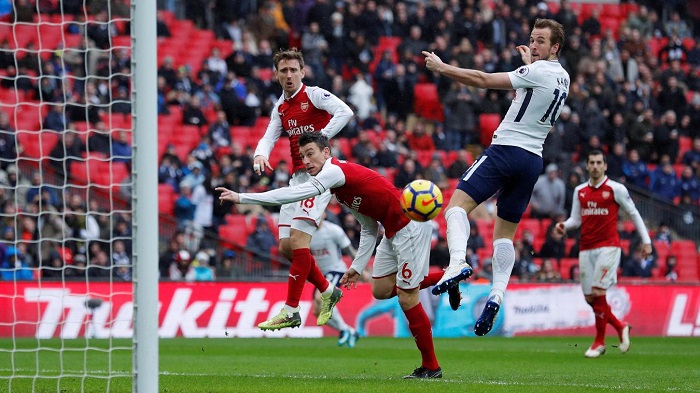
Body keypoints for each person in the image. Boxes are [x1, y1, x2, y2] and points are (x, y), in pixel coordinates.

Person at [218, 132, 448, 379]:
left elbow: (294, 194)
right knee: (380, 290)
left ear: (326, 153)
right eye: (302, 156)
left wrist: (242, 197)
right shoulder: (340, 190)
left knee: (407, 297)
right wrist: (357, 268)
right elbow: (369, 227)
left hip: (408, 226)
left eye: (311, 154)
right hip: (390, 231)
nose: (306, 161)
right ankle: (446, 278)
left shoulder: (334, 172)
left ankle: (431, 367)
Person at [422, 18, 570, 336]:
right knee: (504, 236)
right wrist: (529, 63)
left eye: (541, 41)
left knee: (455, 208)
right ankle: (496, 295)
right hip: (532, 160)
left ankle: (458, 262)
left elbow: (482, 78)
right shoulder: (563, 78)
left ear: (555, 47)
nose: (533, 45)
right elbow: (537, 89)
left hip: (505, 150)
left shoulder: (539, 71)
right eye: (532, 39)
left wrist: (442, 67)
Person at [247, 48, 354, 330]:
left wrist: (320, 140)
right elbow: (270, 135)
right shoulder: (281, 107)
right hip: (296, 179)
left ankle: (291, 309)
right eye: (284, 70)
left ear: (302, 72)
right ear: (276, 75)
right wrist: (260, 154)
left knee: (297, 242)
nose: (289, 75)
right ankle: (328, 290)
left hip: (319, 178)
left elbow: (346, 111)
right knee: (285, 247)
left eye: (294, 70)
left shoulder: (315, 95)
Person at [555, 149, 652, 358]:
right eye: (592, 162)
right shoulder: (580, 191)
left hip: (609, 246)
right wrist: (564, 225)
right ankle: (620, 326)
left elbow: (634, 214)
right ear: (587, 166)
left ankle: (599, 342)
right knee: (591, 298)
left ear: (605, 166)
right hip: (586, 248)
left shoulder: (616, 189)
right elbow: (576, 220)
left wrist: (646, 241)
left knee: (599, 292)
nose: (596, 166)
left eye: (599, 162)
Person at [309, 214, 361, 347]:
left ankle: (343, 330)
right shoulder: (306, 232)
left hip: (336, 270)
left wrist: (360, 269)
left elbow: (349, 250)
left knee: (321, 298)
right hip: (321, 274)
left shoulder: (333, 230)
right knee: (317, 311)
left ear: (324, 214)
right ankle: (350, 331)